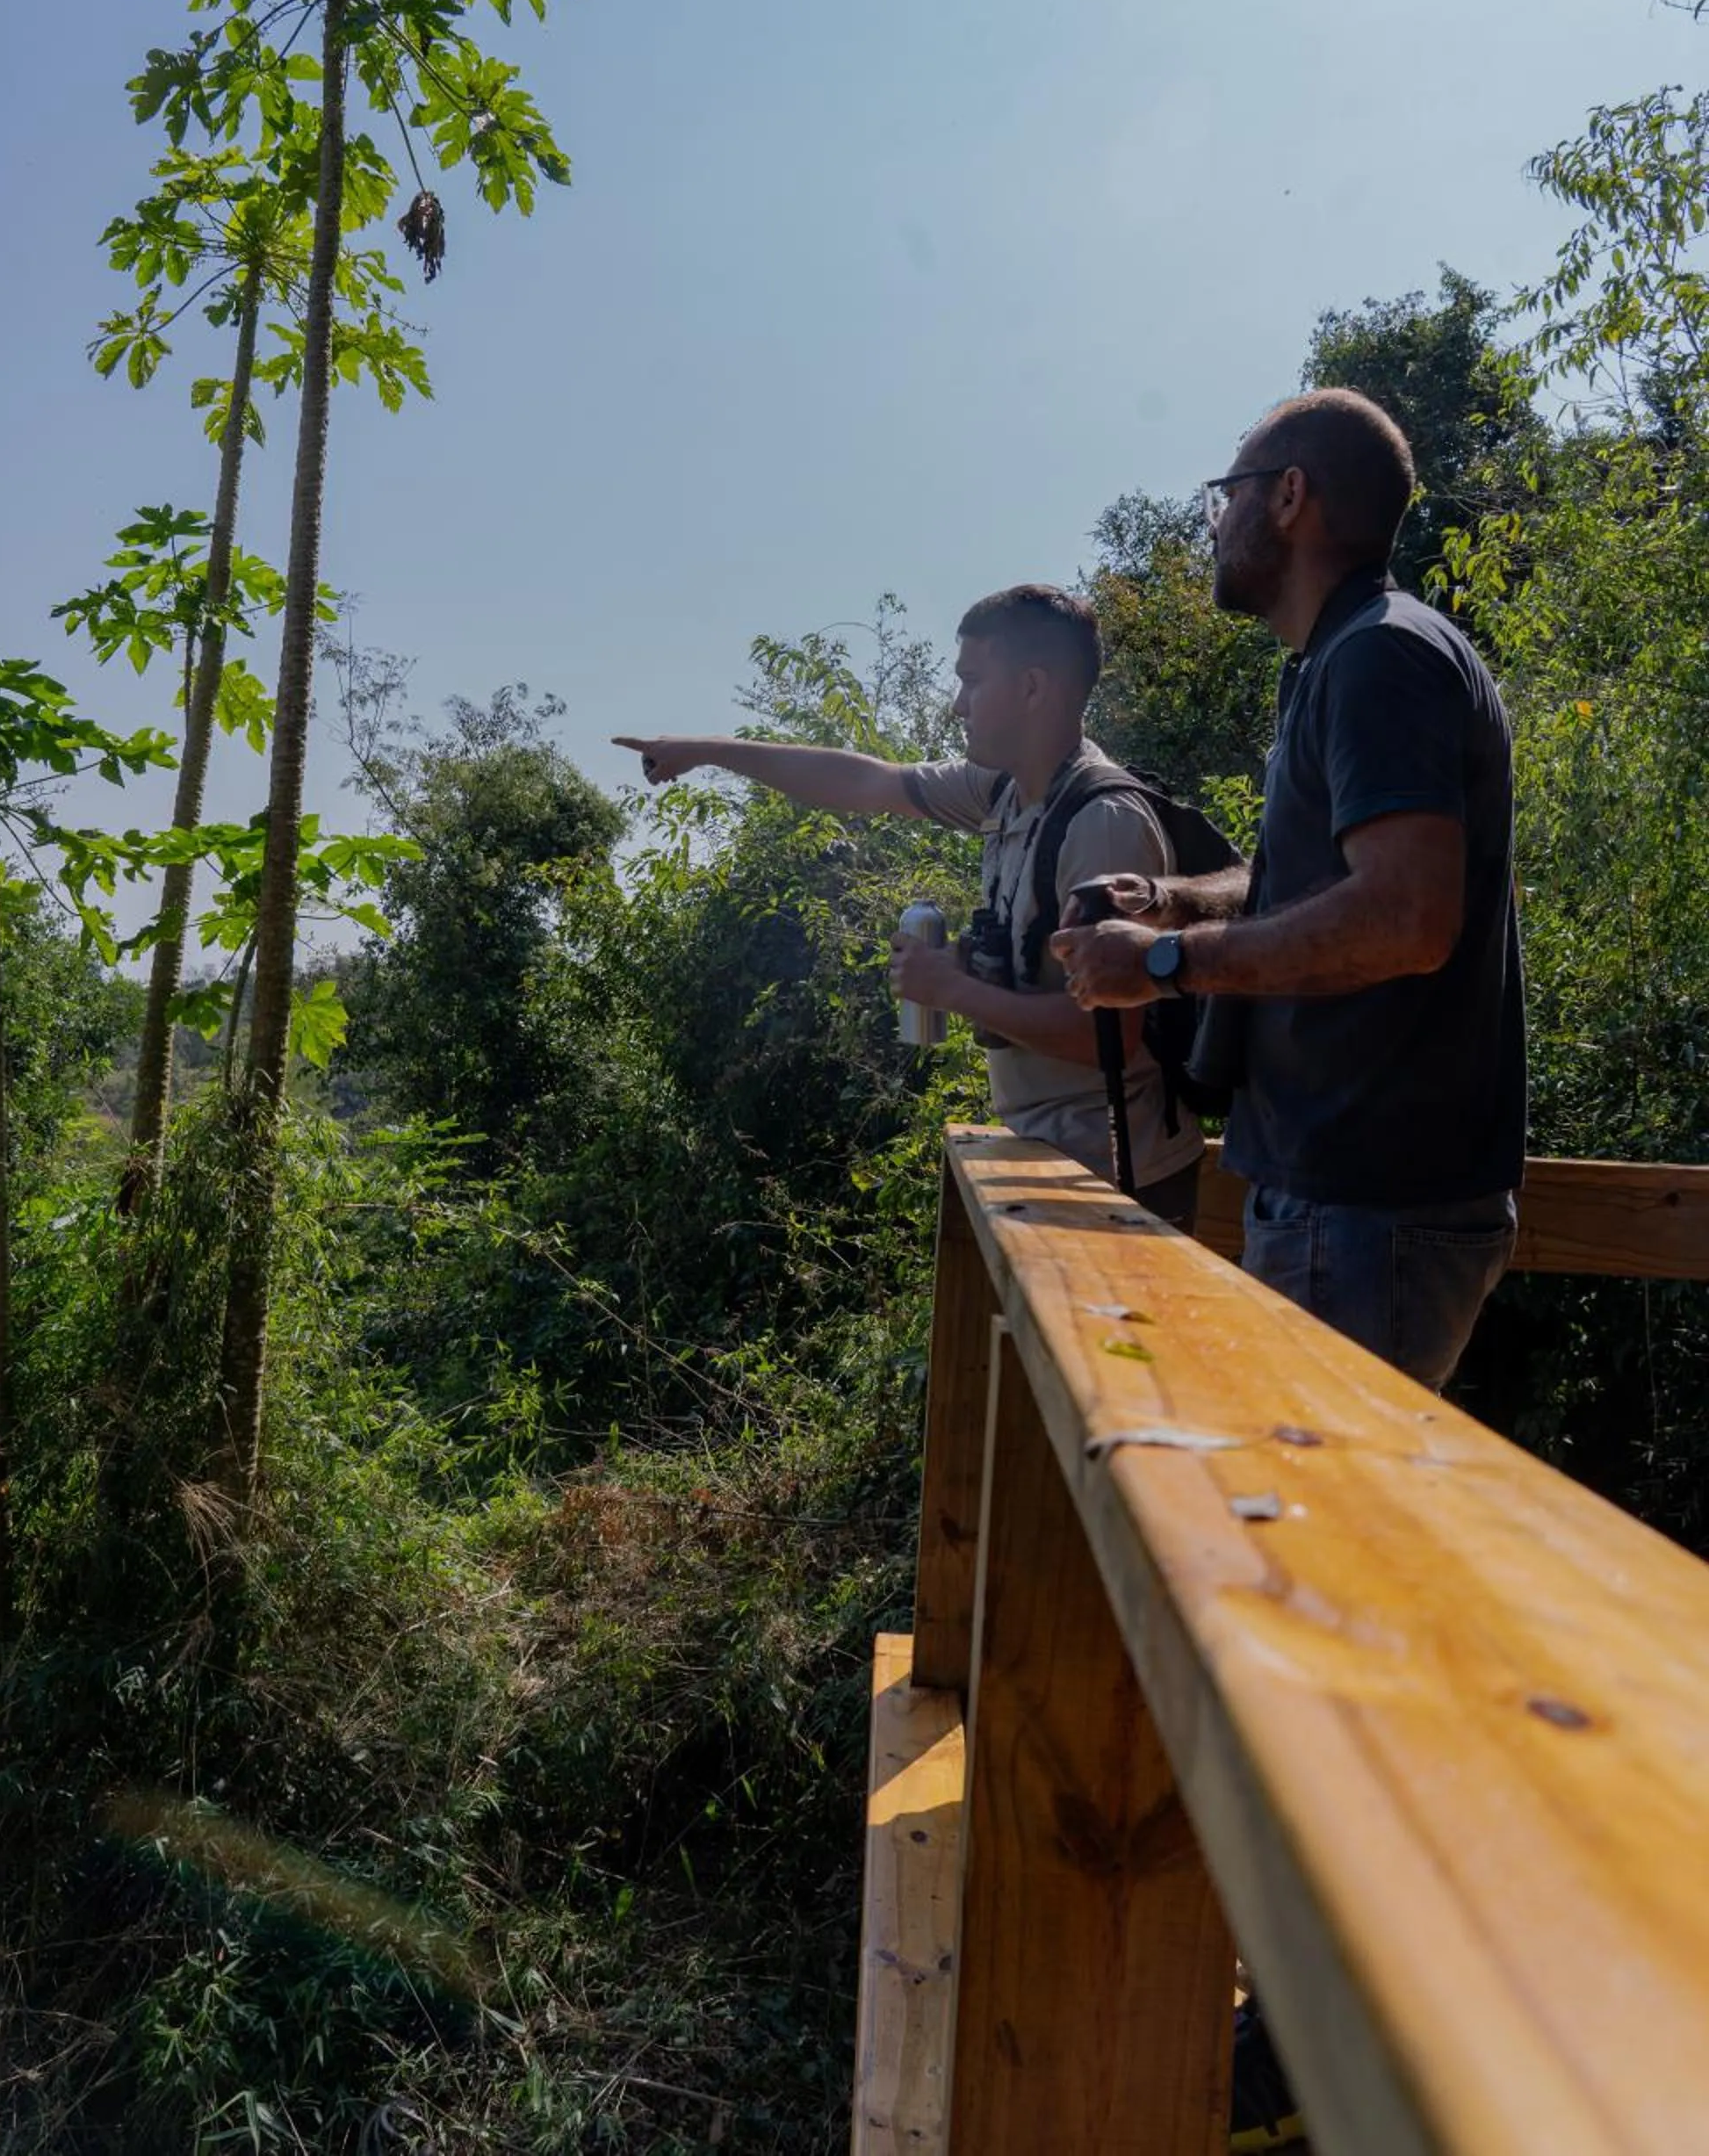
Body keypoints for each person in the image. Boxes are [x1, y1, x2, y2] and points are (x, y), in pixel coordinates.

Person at [1050, 388, 1526, 2154]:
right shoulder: (1342, 674)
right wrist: (1169, 920)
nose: (1214, 526)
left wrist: (1173, 979)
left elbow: (1403, 917)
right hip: (1332, 1199)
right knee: (1306, 1614)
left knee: (1327, 1636)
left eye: (1229, 495)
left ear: (1294, 501)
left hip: (1375, 1213)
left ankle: (1343, 2047)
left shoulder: (1386, 660)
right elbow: (1314, 880)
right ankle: (1301, 2015)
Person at [615, 585, 1210, 1225]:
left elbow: (1108, 1037)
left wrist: (952, 989)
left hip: (1120, 1178)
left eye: (973, 681)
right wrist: (704, 752)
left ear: (1034, 688)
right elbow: (868, 781)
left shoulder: (1103, 823)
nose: (958, 705)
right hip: (1050, 1156)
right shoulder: (1003, 792)